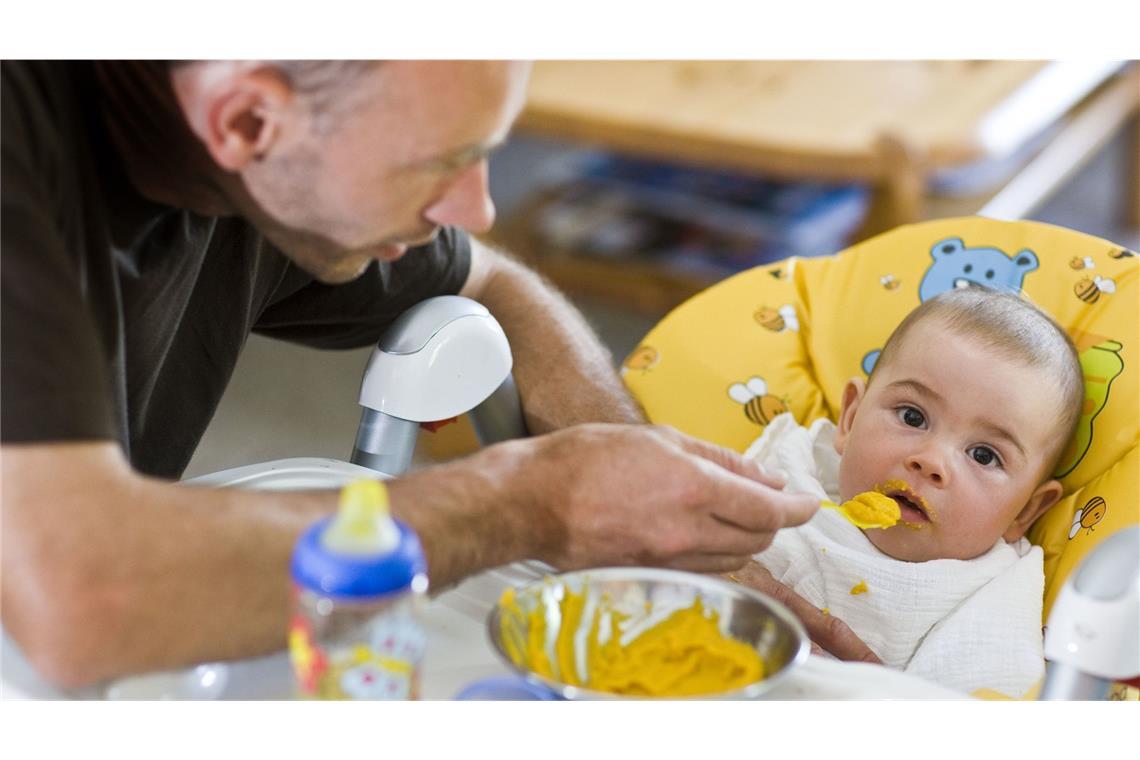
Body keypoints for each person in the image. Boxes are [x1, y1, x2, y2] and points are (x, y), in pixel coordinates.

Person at [1, 60, 847, 690]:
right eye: (436, 164)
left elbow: (495, 281)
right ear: (250, 121)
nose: (476, 208)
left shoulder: (264, 154)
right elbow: (79, 593)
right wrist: (533, 501)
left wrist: (642, 500)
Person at [728, 287, 1083, 696]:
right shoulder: (782, 476)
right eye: (912, 416)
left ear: (1025, 512)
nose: (931, 461)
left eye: (984, 456)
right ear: (851, 418)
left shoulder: (991, 593)